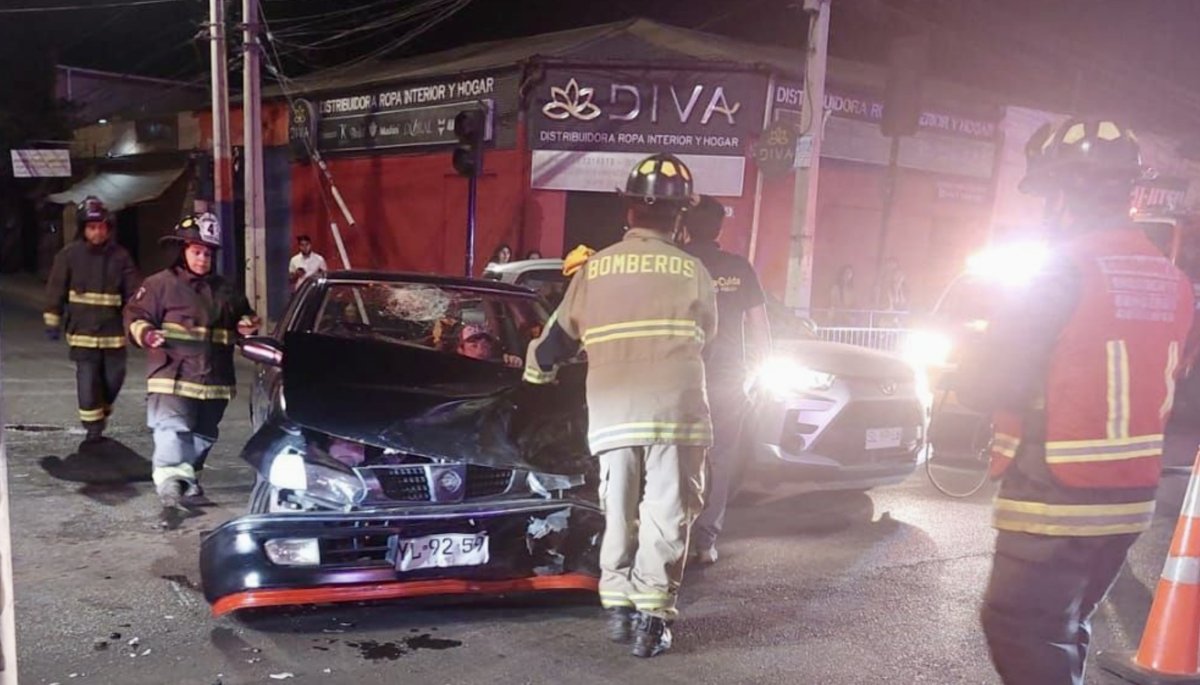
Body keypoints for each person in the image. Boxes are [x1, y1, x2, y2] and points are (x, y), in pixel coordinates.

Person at [956, 118, 1194, 685]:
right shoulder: (1172, 279)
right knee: (1062, 628)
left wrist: (977, 345)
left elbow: (987, 381)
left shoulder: (1060, 269)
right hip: (1131, 499)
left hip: (1053, 497)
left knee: (1016, 626)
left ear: (1062, 194)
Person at [523, 153, 717, 658]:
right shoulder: (694, 271)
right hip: (678, 411)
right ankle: (652, 618)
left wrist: (534, 377)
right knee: (668, 512)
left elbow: (553, 344)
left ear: (629, 212)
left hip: (614, 413)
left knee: (619, 507)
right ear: (681, 217)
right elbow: (707, 337)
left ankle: (618, 601)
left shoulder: (596, 268)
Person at [124, 213, 259, 507]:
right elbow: (135, 316)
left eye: (208, 253)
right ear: (181, 251)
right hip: (172, 375)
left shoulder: (226, 289)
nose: (203, 258)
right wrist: (146, 334)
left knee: (203, 435)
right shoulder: (159, 285)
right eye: (197, 251)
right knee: (172, 429)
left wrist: (247, 324)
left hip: (215, 381)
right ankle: (171, 482)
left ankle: (186, 477)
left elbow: (244, 316)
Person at [681, 195, 770, 565]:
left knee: (678, 457)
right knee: (720, 458)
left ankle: (675, 537)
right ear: (719, 228)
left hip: (680, 378)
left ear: (686, 226)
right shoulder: (739, 268)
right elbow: (761, 329)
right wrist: (756, 375)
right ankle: (706, 542)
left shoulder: (676, 264)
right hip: (728, 382)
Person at [44, 196, 142, 442]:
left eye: (102, 227)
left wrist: (139, 317)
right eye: (92, 227)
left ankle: (102, 410)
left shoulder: (121, 257)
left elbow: (134, 291)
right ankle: (93, 429)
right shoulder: (69, 255)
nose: (98, 232)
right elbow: (56, 287)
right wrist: (52, 317)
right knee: (87, 381)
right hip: (82, 332)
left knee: (114, 378)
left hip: (113, 334)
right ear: (83, 229)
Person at [456, 322, 522, 368]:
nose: (480, 349)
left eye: (486, 342)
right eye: (474, 343)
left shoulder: (501, 367)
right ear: (461, 349)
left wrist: (513, 366)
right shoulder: (455, 373)